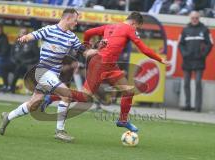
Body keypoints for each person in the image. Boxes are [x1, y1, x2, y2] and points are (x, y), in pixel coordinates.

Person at [41, 11, 169, 141]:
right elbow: (143, 48)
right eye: (138, 27)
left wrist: (86, 45)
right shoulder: (129, 29)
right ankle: (52, 97)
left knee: (129, 91)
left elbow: (88, 33)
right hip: (99, 64)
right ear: (134, 23)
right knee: (85, 97)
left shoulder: (110, 26)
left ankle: (122, 121)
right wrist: (160, 59)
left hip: (110, 66)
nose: (137, 30)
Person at [0, 8, 97, 138]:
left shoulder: (72, 37)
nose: (77, 23)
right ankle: (60, 131)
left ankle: (8, 116)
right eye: (75, 19)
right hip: (43, 71)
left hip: (53, 75)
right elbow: (32, 35)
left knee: (34, 104)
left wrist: (100, 50)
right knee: (66, 96)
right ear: (67, 18)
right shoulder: (49, 30)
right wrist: (25, 38)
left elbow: (85, 52)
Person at [178, 11, 213, 112]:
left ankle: (198, 107)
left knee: (198, 83)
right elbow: (180, 44)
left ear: (199, 18)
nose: (194, 19)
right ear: (190, 18)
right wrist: (184, 54)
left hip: (199, 60)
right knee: (186, 83)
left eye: (196, 18)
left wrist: (203, 55)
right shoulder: (185, 29)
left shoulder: (204, 29)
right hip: (187, 60)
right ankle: (188, 105)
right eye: (193, 18)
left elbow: (210, 43)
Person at [0, 27, 39, 93]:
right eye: (22, 33)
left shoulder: (32, 44)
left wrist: (27, 62)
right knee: (3, 66)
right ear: (19, 34)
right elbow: (11, 54)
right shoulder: (16, 42)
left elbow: (37, 57)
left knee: (19, 68)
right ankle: (6, 85)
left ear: (27, 34)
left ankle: (12, 87)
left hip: (26, 65)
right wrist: (14, 60)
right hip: (15, 63)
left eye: (25, 33)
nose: (23, 34)